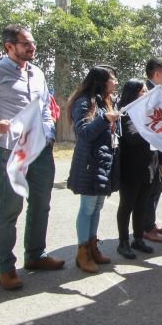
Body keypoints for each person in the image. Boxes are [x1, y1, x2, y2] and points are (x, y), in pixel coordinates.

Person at [0, 24, 61, 291]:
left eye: (33, 43)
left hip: (40, 149)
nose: (32, 48)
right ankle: (6, 267)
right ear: (9, 47)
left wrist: (49, 133)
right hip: (10, 150)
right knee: (10, 207)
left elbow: (44, 108)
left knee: (41, 203)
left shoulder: (38, 73)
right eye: (26, 44)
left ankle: (35, 255)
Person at [66, 66, 118, 273]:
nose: (115, 82)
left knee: (97, 207)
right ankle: (82, 252)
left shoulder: (107, 101)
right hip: (89, 163)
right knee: (87, 208)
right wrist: (105, 119)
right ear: (101, 81)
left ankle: (92, 246)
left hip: (103, 162)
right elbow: (84, 132)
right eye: (112, 79)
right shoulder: (85, 102)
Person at [116, 79, 161, 259]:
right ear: (133, 94)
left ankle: (138, 238)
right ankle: (123, 242)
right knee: (127, 205)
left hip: (147, 165)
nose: (146, 94)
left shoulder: (148, 113)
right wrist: (152, 131)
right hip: (130, 167)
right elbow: (132, 137)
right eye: (143, 91)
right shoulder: (125, 113)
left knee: (142, 203)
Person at [142, 57, 162, 244]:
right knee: (151, 189)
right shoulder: (146, 92)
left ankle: (151, 221)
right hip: (152, 151)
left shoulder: (160, 91)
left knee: (158, 187)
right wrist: (160, 158)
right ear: (157, 74)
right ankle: (147, 228)